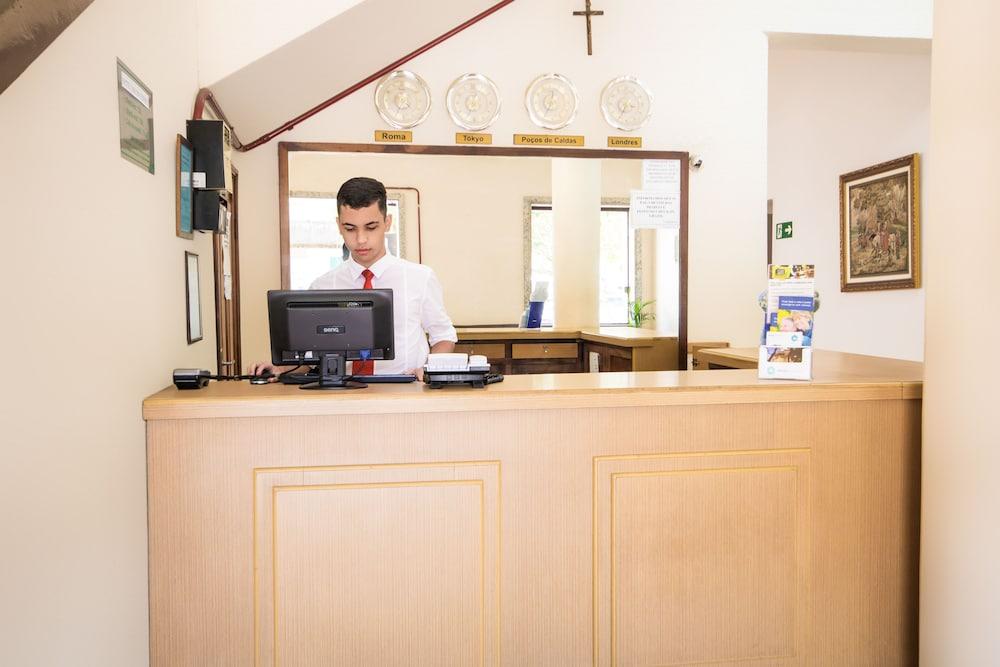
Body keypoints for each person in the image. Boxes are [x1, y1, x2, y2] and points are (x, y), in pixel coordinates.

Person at [249, 177, 457, 380]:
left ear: (387, 222)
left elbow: (444, 335)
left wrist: (429, 368)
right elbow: (311, 358)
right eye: (350, 229)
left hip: (404, 391)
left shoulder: (420, 277)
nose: (361, 239)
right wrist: (280, 368)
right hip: (343, 394)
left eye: (371, 227)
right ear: (339, 226)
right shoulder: (322, 286)